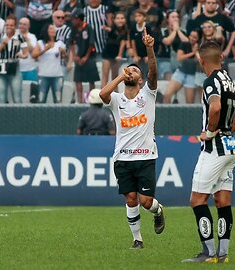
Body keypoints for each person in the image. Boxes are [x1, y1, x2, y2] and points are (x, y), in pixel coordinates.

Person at [182, 40, 235, 263]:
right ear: (220, 57)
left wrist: (210, 132)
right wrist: (226, 130)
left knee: (197, 200)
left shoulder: (210, 82)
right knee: (223, 201)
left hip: (214, 149)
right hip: (230, 146)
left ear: (201, 60)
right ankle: (223, 255)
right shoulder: (230, 81)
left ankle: (208, 253)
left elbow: (216, 107)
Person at [99, 27, 165, 249]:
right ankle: (137, 239)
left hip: (146, 156)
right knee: (130, 198)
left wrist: (149, 48)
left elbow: (153, 72)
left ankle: (158, 210)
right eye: (130, 70)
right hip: (122, 158)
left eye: (135, 71)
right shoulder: (117, 99)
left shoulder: (148, 94)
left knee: (146, 202)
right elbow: (102, 94)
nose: (131, 72)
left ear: (140, 80)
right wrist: (119, 74)